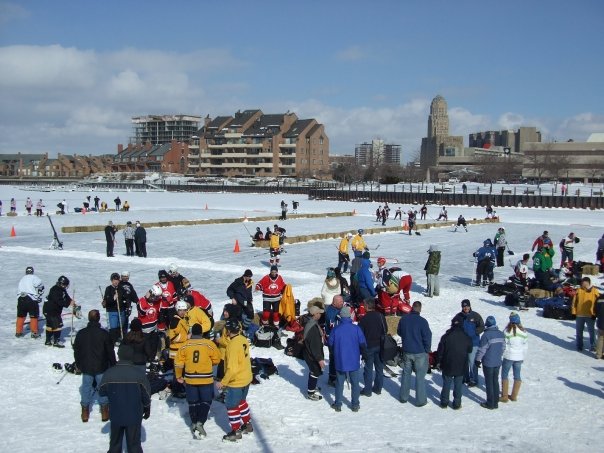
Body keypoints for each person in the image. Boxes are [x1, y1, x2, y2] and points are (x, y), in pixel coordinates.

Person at [98, 345, 151, 453]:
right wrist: (146, 407)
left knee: (115, 444)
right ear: (132, 357)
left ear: (119, 356)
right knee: (134, 445)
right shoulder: (139, 374)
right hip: (134, 415)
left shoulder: (109, 373)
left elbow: (101, 391)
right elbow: (146, 394)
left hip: (116, 414)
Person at [175, 323, 220, 438]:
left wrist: (179, 376)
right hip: (205, 378)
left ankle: (194, 421)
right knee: (206, 400)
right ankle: (200, 421)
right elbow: (217, 359)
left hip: (190, 378)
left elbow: (178, 362)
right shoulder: (209, 344)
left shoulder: (185, 345)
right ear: (201, 333)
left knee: (192, 401)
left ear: (192, 333)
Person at [73, 309, 116, 423]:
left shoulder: (81, 333)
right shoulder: (103, 333)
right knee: (102, 387)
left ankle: (85, 411)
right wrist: (113, 363)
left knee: (86, 387)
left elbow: (76, 350)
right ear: (98, 319)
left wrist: (78, 363)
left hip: (86, 366)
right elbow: (110, 351)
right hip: (101, 365)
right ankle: (104, 411)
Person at [217, 319, 254, 442]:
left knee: (232, 406)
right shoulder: (243, 339)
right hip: (246, 377)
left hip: (236, 381)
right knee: (242, 401)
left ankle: (236, 431)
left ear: (228, 331)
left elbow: (231, 369)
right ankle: (247, 424)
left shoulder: (231, 346)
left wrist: (223, 382)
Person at [328, 306, 367, 412]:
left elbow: (330, 344)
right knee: (355, 383)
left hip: (340, 360)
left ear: (340, 316)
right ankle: (355, 404)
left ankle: (338, 404)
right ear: (350, 316)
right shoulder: (356, 329)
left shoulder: (336, 329)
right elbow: (363, 344)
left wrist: (334, 353)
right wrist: (364, 355)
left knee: (339, 383)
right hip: (353, 360)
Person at [397, 301, 432, 406]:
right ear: (420, 309)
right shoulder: (422, 321)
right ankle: (420, 400)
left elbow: (399, 331)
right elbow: (427, 336)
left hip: (407, 351)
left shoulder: (404, 319)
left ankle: (403, 397)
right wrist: (427, 349)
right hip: (420, 352)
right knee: (420, 376)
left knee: (406, 373)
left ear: (412, 308)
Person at [436, 317, 472, 410]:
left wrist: (439, 361)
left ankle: (444, 402)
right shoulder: (466, 336)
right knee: (458, 384)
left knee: (447, 383)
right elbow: (470, 349)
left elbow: (440, 351)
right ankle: (457, 403)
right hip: (461, 363)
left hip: (448, 363)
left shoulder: (446, 336)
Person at [475, 316, 505, 410]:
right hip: (497, 361)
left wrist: (477, 360)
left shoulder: (486, 335)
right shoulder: (501, 333)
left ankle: (490, 403)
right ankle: (495, 402)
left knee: (489, 382)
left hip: (488, 362)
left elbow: (482, 350)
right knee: (495, 381)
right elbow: (503, 347)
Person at [452, 300, 484, 387]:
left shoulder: (475, 316)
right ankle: (465, 377)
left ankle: (474, 379)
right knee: (463, 361)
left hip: (474, 343)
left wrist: (475, 332)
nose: (466, 308)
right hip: (462, 344)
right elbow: (453, 326)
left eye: (467, 306)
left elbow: (482, 326)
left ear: (470, 306)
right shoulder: (459, 316)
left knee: (472, 361)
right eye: (464, 306)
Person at [358, 299, 386, 397]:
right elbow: (385, 330)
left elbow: (360, 335)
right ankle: (378, 388)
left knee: (368, 369)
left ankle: (367, 390)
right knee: (379, 368)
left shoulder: (364, 319)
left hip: (368, 347)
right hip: (380, 345)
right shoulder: (381, 316)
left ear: (366, 306)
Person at [500, 312, 528, 403]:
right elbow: (525, 346)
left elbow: (504, 345)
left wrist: (502, 353)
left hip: (509, 356)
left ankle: (504, 396)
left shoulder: (506, 332)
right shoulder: (524, 332)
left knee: (505, 375)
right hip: (519, 357)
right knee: (517, 376)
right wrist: (523, 356)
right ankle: (514, 396)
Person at [43, 275, 75, 347]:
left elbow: (66, 296)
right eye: (65, 285)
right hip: (51, 310)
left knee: (51, 325)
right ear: (61, 284)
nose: (66, 287)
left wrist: (71, 301)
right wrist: (68, 303)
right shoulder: (55, 290)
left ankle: (48, 340)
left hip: (53, 310)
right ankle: (56, 341)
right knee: (58, 325)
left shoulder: (61, 289)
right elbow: (59, 301)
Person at [303, 305, 326, 401]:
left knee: (314, 371)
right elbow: (315, 346)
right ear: (315, 314)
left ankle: (312, 387)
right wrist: (320, 359)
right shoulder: (313, 329)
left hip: (309, 353)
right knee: (314, 372)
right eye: (319, 313)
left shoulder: (311, 322)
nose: (321, 314)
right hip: (312, 355)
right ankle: (311, 392)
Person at [572, 277, 600, 352]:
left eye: (583, 282)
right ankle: (579, 345)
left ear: (587, 282)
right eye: (582, 282)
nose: (582, 284)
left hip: (590, 315)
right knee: (579, 331)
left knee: (591, 332)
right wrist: (574, 312)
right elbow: (574, 302)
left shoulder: (595, 291)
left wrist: (595, 314)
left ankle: (593, 345)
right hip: (579, 315)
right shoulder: (579, 290)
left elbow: (598, 304)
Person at [16, 266, 44, 338]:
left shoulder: (22, 279)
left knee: (21, 316)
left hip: (21, 298)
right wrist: (39, 296)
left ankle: (18, 332)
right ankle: (34, 332)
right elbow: (40, 286)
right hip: (31, 298)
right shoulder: (34, 277)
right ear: (32, 272)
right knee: (33, 316)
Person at [325, 294, 345, 386]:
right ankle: (332, 378)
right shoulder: (330, 311)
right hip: (333, 339)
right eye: (340, 302)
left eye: (342, 301)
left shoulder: (340, 308)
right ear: (334, 303)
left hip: (340, 338)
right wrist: (342, 318)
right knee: (333, 358)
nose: (342, 303)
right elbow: (332, 324)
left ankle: (340, 374)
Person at [103, 273, 127, 344]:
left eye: (117, 280)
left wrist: (127, 305)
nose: (116, 282)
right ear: (111, 280)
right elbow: (106, 300)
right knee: (113, 327)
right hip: (112, 311)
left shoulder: (121, 288)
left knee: (120, 326)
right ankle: (113, 341)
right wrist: (113, 298)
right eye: (114, 280)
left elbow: (126, 298)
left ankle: (120, 338)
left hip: (121, 310)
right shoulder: (108, 289)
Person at [595, 294, 604, 359]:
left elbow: (595, 309)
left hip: (601, 321)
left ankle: (598, 354)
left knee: (600, 338)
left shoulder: (599, 298)